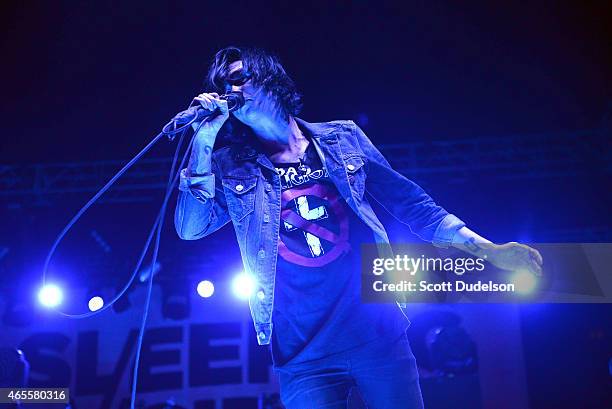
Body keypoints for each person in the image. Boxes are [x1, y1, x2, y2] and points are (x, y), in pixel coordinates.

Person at [174, 46, 543, 409]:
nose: (230, 92)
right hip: (302, 356)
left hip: (377, 336)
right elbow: (190, 228)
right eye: (224, 85)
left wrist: (489, 250)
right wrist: (204, 138)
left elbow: (411, 203)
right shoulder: (232, 165)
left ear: (271, 79)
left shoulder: (342, 138)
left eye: (239, 79)